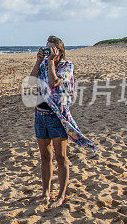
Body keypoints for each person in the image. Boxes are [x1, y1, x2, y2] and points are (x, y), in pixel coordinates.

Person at [30, 35, 98, 207]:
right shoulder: (44, 64)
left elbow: (53, 83)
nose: (48, 52)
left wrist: (52, 62)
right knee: (45, 156)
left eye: (51, 49)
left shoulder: (67, 66)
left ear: (59, 51)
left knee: (61, 157)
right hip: (40, 115)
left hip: (57, 117)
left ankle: (61, 195)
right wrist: (39, 61)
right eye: (46, 48)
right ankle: (45, 193)